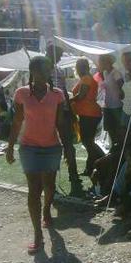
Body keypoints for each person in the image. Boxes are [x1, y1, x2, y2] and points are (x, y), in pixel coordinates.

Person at [6, 56, 67, 254]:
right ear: (32, 72)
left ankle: (47, 210)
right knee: (34, 188)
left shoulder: (57, 95)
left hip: (51, 146)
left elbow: (60, 123)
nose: (44, 74)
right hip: (29, 147)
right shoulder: (21, 93)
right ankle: (37, 234)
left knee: (49, 185)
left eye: (47, 70)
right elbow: (17, 121)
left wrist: (68, 147)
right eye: (40, 70)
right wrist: (9, 146)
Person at [46, 44, 79, 182]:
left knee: (68, 143)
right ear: (50, 53)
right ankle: (48, 173)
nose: (59, 59)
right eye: (58, 56)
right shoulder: (41, 69)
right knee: (48, 144)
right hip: (48, 112)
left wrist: (71, 111)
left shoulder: (59, 70)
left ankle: (73, 173)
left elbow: (64, 92)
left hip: (63, 111)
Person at [70, 58, 105, 177]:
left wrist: (68, 100)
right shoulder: (87, 78)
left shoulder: (86, 78)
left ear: (81, 67)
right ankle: (90, 168)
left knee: (88, 142)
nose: (77, 69)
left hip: (89, 114)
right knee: (88, 142)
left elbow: (81, 96)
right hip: (89, 114)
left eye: (78, 66)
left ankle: (103, 160)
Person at [97, 54, 124, 146]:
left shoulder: (115, 73)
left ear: (106, 62)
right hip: (107, 105)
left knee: (118, 128)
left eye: (100, 62)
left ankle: (120, 148)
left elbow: (122, 85)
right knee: (109, 128)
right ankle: (114, 147)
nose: (99, 64)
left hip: (116, 105)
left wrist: (121, 92)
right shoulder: (105, 73)